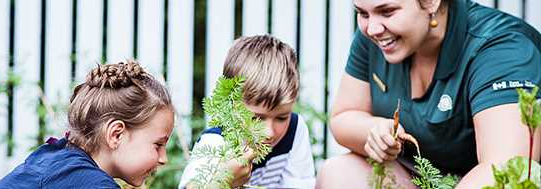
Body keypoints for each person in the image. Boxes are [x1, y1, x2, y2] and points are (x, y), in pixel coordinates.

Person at [316, 0, 541, 188]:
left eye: (388, 12)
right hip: (420, 177)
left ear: (432, 2)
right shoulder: (377, 38)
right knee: (339, 175)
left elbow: (507, 167)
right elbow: (343, 116)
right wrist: (374, 130)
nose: (372, 29)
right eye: (362, 13)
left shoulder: (502, 49)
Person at [0, 60, 175, 188]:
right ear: (116, 134)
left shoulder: (60, 161)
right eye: (158, 145)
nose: (163, 159)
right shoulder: (85, 180)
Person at [179, 35, 316, 189]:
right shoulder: (216, 142)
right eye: (256, 118)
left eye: (281, 118)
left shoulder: (295, 129)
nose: (269, 132)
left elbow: (299, 184)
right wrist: (222, 180)